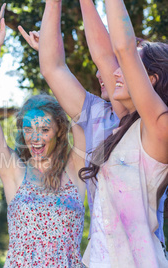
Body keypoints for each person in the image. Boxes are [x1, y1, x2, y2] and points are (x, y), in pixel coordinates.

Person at [0, 5, 86, 267]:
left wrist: (50, 62)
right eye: (28, 129)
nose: (35, 138)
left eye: (44, 129)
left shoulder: (75, 168)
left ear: (60, 130)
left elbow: (82, 111)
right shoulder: (14, 172)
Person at [78, 0, 168, 265]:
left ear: (150, 79)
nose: (114, 72)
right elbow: (104, 55)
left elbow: (123, 48)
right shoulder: (128, 123)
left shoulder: (159, 127)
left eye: (127, 67)